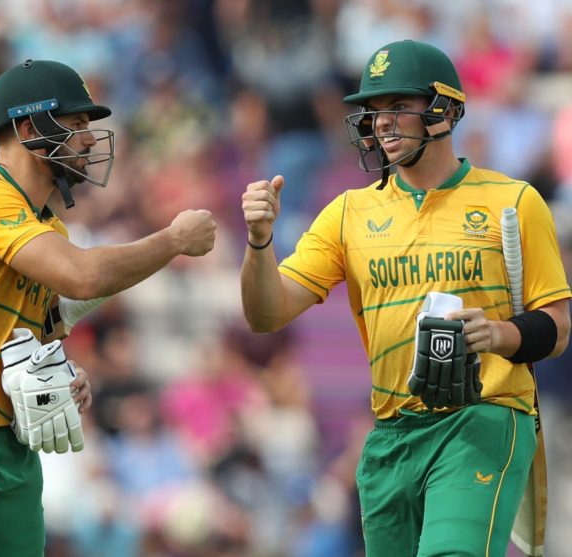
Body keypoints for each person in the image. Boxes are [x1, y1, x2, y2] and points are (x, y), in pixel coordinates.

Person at [240, 39, 571, 557]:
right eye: (374, 111)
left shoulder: (514, 202)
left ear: (444, 110)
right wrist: (260, 241)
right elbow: (266, 314)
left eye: (398, 107)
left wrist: (501, 334)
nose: (382, 123)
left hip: (482, 416)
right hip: (392, 433)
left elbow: (557, 326)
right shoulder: (346, 213)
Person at [0, 59, 216, 556]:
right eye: (76, 125)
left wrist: (65, 374)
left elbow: (43, 329)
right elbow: (83, 276)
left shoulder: (50, 232)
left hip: (10, 452)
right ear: (29, 127)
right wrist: (173, 240)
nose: (90, 140)